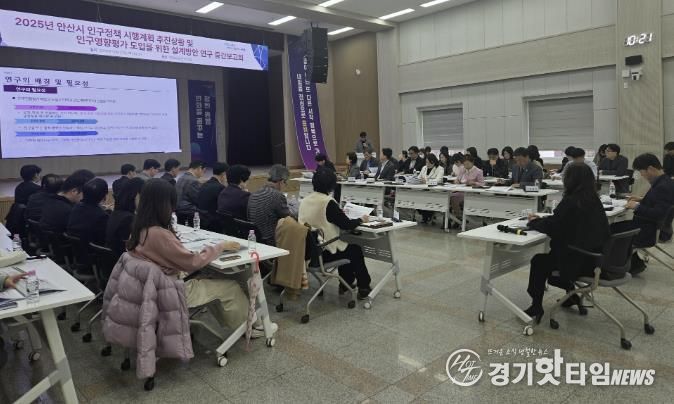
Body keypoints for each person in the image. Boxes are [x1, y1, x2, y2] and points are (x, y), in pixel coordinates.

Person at [127, 179, 274, 337]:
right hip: (173, 290)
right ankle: (249, 328)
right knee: (231, 287)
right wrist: (220, 247)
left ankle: (242, 324)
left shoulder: (139, 228)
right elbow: (193, 262)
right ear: (163, 205)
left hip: (155, 288)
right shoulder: (159, 234)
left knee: (214, 277)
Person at [522, 163, 610, 322]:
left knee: (539, 262)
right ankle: (571, 296)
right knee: (551, 261)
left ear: (570, 180)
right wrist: (543, 220)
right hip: (595, 259)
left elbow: (554, 227)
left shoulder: (571, 201)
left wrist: (534, 222)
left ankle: (536, 306)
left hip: (578, 261)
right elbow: (563, 222)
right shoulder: (594, 200)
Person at [298, 168, 372, 299]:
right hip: (322, 253)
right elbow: (346, 224)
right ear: (332, 185)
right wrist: (361, 219)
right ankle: (364, 287)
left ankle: (346, 284)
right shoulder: (328, 202)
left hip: (307, 252)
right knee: (354, 250)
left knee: (345, 247)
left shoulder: (305, 200)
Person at [610, 154, 674, 273]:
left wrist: (636, 206)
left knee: (611, 229)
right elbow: (659, 202)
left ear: (650, 169)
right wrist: (641, 199)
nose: (642, 176)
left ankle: (620, 265)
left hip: (648, 230)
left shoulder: (663, 186)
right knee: (616, 226)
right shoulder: (665, 181)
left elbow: (658, 213)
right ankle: (634, 263)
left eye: (641, 172)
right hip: (649, 225)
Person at [247, 165, 291, 245]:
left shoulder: (254, 194)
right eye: (286, 183)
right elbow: (288, 216)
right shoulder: (277, 195)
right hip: (270, 239)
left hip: (255, 238)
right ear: (281, 182)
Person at [105, 177, 144, 258]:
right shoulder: (128, 219)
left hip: (112, 259)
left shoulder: (116, 213)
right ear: (136, 195)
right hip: (122, 261)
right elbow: (132, 249)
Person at [67, 178, 110, 246]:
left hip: (75, 249)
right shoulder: (102, 216)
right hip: (93, 250)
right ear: (103, 196)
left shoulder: (76, 207)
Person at [451, 155, 486, 221]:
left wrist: (474, 183)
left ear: (472, 162)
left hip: (471, 193)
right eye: (464, 164)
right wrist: (457, 180)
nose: (466, 166)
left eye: (467, 164)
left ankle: (459, 217)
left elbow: (482, 184)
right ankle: (457, 216)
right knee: (449, 196)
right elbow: (458, 178)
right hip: (460, 190)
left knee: (453, 197)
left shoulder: (478, 171)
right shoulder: (462, 169)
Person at [196, 162, 228, 229]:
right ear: (223, 174)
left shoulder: (204, 185)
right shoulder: (220, 188)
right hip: (214, 223)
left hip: (202, 220)